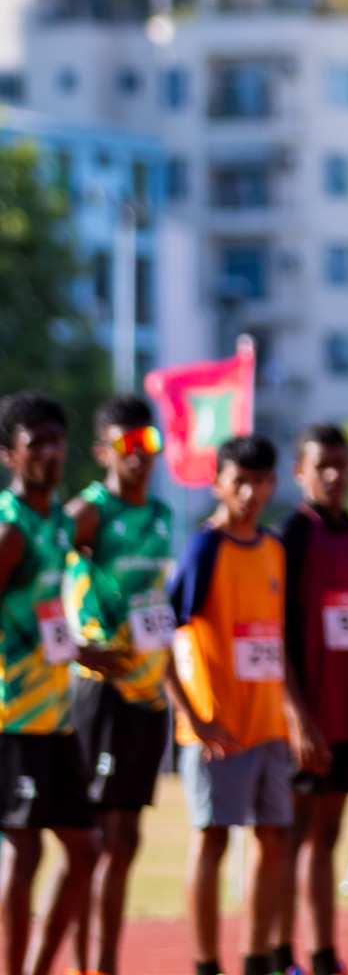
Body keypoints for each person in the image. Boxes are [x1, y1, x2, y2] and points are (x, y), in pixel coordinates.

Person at [165, 435, 317, 975]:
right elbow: (165, 635)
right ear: (218, 484)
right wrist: (194, 716)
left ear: (274, 484)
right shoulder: (203, 548)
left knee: (274, 838)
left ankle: (258, 960)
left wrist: (295, 715)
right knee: (211, 840)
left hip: (269, 725)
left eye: (260, 481)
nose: (250, 493)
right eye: (239, 482)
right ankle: (206, 964)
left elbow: (276, 644)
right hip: (217, 727)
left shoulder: (275, 549)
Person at [54, 394, 175, 975]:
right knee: (93, 841)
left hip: (148, 695)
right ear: (105, 451)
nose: (141, 456)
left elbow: (157, 606)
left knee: (126, 841)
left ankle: (105, 963)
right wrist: (75, 643)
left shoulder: (161, 515)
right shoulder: (89, 511)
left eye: (149, 443)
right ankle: (81, 966)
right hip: (100, 694)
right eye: (128, 445)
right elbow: (37, 571)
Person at [275, 424, 348, 975]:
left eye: (342, 464)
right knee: (291, 840)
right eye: (323, 467)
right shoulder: (293, 534)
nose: (335, 476)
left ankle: (321, 954)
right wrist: (297, 715)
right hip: (309, 716)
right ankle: (276, 953)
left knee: (328, 837)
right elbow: (274, 633)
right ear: (302, 473)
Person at [0, 392, 99, 975]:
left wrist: (85, 649)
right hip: (13, 715)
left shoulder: (59, 524)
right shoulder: (10, 528)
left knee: (85, 851)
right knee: (25, 848)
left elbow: (47, 613)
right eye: (37, 443)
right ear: (10, 454)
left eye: (58, 441)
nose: (51, 453)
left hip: (57, 716)